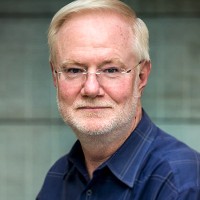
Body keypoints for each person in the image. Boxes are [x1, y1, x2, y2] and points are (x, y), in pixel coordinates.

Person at [36, 0, 200, 199]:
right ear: (55, 76)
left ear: (141, 76)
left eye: (111, 70)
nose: (91, 88)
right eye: (74, 70)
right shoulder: (58, 177)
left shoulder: (181, 182)